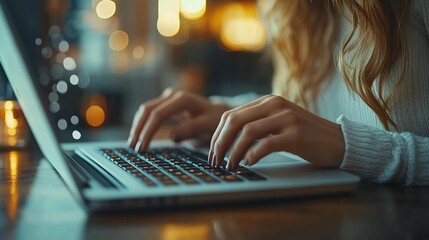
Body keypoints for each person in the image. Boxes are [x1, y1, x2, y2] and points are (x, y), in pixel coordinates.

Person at [128, 0, 429, 185]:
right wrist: (226, 113)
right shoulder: (294, 10)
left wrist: (347, 146)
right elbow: (305, 114)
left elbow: (327, 137)